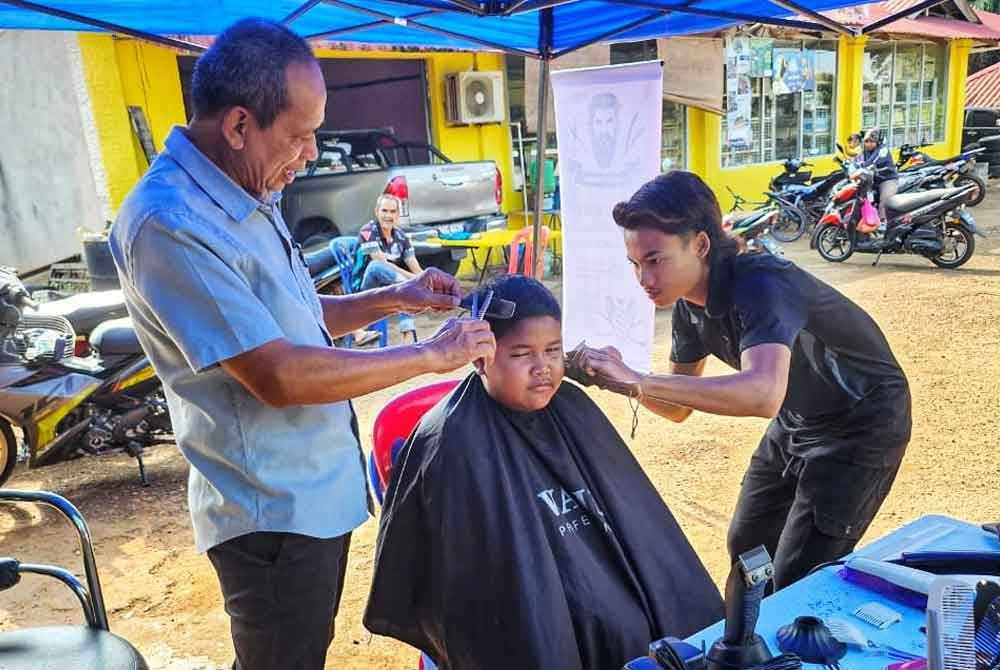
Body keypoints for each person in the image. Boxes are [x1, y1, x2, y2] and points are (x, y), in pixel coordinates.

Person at [108, 19, 495, 670]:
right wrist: (432, 355)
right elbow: (278, 372)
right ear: (238, 126)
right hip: (271, 514)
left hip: (311, 495)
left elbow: (292, 317)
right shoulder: (170, 222)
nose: (312, 152)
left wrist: (391, 299)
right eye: (301, 134)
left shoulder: (244, 187)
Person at [365, 275, 724, 670]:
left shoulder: (572, 407)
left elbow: (639, 525)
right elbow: (468, 584)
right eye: (522, 354)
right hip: (519, 608)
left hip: (600, 581)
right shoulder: (450, 439)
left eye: (553, 350)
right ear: (481, 356)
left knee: (662, 614)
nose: (543, 368)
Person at [573, 171, 911, 591]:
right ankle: (745, 647)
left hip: (863, 424)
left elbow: (762, 394)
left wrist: (640, 378)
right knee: (748, 546)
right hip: (798, 419)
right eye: (635, 265)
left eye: (655, 260)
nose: (644, 280)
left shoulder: (762, 282)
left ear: (700, 244)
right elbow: (678, 408)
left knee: (800, 571)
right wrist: (615, 381)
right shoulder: (688, 309)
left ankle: (789, 651)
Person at [352, 193, 423, 343]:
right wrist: (412, 281)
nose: (388, 216)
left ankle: (407, 334)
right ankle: (408, 336)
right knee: (376, 266)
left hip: (391, 287)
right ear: (376, 211)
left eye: (392, 212)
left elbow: (416, 268)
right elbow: (383, 264)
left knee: (403, 288)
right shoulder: (367, 231)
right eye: (384, 211)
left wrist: (426, 279)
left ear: (398, 215)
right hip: (364, 289)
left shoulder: (401, 236)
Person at [859, 128, 899, 227]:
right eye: (866, 141)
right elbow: (859, 160)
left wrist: (861, 166)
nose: (868, 144)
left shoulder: (883, 150)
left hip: (887, 180)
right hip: (872, 180)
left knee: (885, 201)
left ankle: (884, 224)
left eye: (871, 142)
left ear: (877, 142)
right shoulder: (866, 150)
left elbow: (872, 162)